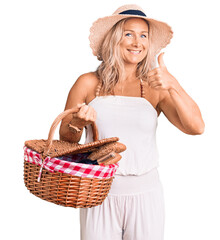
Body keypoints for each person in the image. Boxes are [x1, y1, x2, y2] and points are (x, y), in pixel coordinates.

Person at [59, 4, 205, 240]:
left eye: (143, 35)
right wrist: (76, 120)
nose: (137, 42)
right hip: (98, 193)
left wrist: (174, 85)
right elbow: (65, 138)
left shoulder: (155, 87)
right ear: (114, 39)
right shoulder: (87, 83)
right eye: (129, 34)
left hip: (146, 194)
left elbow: (196, 127)